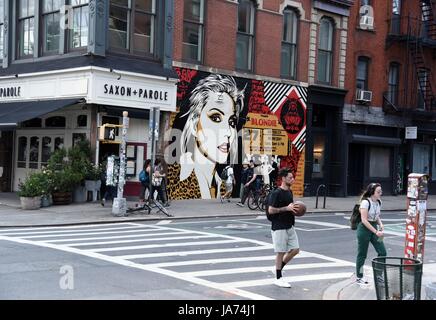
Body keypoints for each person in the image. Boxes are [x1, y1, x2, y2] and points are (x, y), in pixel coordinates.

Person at [179, 74, 245, 199]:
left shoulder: (222, 185)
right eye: (215, 118)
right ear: (194, 124)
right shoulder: (180, 181)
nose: (228, 132)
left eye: (231, 122)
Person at [267, 168, 300, 288]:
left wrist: (296, 209)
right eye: (290, 177)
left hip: (289, 225)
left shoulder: (289, 192)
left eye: (293, 177)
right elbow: (270, 210)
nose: (293, 179)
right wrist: (286, 208)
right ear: (284, 178)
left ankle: (278, 267)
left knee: (295, 250)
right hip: (279, 226)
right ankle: (278, 277)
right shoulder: (276, 193)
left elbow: (291, 207)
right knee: (280, 252)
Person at [355, 182, 386, 285]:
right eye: (378, 191)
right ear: (372, 192)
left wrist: (381, 224)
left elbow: (376, 216)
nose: (380, 193)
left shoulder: (379, 202)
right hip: (364, 229)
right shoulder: (365, 203)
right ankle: (359, 277)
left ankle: (379, 275)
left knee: (382, 252)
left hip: (375, 228)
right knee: (362, 254)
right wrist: (376, 231)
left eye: (381, 191)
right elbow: (364, 220)